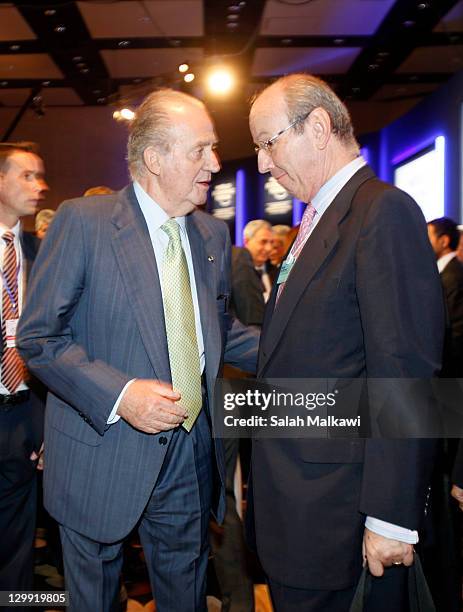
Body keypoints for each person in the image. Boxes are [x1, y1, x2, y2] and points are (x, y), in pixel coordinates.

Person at [17, 89, 258, 612]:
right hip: (102, 447)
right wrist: (122, 394)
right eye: (201, 149)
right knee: (97, 598)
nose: (215, 163)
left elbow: (218, 329)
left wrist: (312, 349)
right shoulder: (84, 223)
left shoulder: (212, 235)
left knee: (185, 591)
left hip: (190, 449)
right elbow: (38, 337)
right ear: (155, 158)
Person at [247, 73, 444, 611]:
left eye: (268, 142)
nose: (262, 163)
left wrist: (391, 516)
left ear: (317, 127)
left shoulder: (381, 212)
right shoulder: (324, 219)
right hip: (305, 512)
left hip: (345, 516)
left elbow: (404, 372)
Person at [0, 142, 48, 599]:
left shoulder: (42, 253)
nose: (41, 186)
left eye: (41, 176)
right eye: (28, 175)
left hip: (24, 414)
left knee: (18, 541)